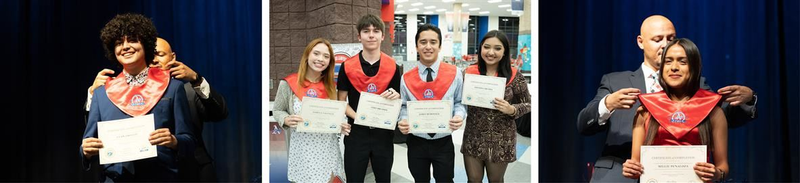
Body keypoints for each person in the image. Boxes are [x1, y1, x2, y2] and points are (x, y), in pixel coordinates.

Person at [576, 15, 756, 182]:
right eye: (657, 39)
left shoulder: (697, 85)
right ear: (640, 42)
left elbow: (722, 118)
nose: (665, 45)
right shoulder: (615, 81)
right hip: (621, 174)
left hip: (686, 176)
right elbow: (584, 125)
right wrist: (608, 104)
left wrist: (749, 100)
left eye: (670, 38)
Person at [85, 37, 228, 181]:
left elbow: (219, 113)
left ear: (173, 57)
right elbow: (95, 132)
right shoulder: (121, 93)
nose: (154, 60)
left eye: (160, 54)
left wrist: (196, 79)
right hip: (144, 172)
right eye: (150, 55)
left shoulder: (186, 89)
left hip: (193, 169)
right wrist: (93, 93)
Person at [80, 13, 195, 181]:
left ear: (146, 45)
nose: (125, 46)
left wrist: (174, 141)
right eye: (119, 43)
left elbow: (189, 141)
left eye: (133, 40)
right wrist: (85, 150)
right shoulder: (101, 93)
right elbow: (88, 141)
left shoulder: (172, 88)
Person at [622, 38, 729, 181]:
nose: (674, 67)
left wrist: (716, 173)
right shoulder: (646, 109)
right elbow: (636, 164)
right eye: (668, 61)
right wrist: (631, 169)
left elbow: (723, 166)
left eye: (682, 62)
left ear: (695, 67)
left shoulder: (713, 110)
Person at [272, 38, 352, 183]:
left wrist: (340, 126)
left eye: (326, 56)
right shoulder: (289, 83)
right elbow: (277, 110)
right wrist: (285, 119)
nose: (320, 59)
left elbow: (336, 116)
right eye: (316, 53)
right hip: (303, 152)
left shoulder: (331, 87)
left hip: (328, 151)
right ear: (307, 55)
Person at [336, 14, 402, 183]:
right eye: (366, 31)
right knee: (354, 179)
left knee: (383, 179)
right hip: (356, 133)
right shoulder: (347, 66)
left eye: (376, 31)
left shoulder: (393, 67)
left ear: (383, 36)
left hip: (383, 134)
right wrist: (359, 117)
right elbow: (341, 100)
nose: (371, 35)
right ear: (359, 36)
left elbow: (398, 100)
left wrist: (397, 96)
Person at [397, 24, 465, 183]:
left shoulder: (454, 73)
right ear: (416, 46)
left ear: (440, 46)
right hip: (416, 140)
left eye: (433, 42)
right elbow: (404, 106)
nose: (428, 46)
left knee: (445, 180)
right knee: (420, 179)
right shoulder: (406, 77)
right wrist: (403, 119)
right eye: (423, 42)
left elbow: (459, 102)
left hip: (443, 140)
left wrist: (459, 116)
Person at [461, 30, 531, 182]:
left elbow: (528, 103)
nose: (491, 52)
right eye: (486, 47)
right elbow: (455, 98)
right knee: (473, 179)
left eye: (497, 48)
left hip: (501, 139)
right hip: (474, 136)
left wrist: (512, 109)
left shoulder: (515, 76)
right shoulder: (468, 73)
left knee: (496, 180)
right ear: (480, 48)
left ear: (505, 51)